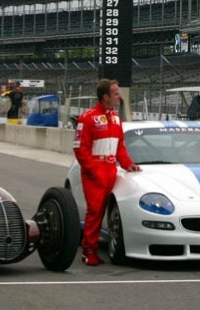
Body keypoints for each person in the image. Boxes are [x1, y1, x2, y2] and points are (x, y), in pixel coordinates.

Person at [73, 79, 141, 266]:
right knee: (95, 212)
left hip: (111, 171)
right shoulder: (87, 117)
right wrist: (93, 170)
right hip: (95, 173)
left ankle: (94, 247)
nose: (119, 97)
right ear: (105, 96)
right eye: (116, 94)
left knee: (104, 212)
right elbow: (80, 148)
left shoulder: (116, 118)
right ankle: (89, 251)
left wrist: (128, 164)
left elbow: (120, 147)